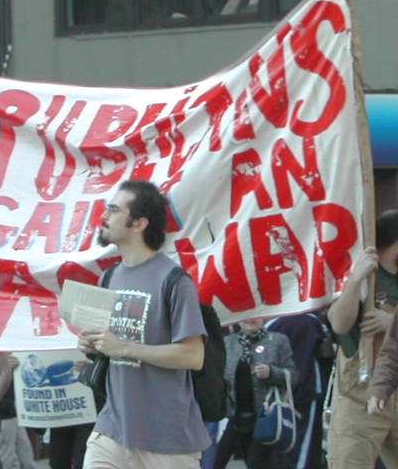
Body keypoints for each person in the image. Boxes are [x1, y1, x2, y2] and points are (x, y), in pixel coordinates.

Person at [77, 180, 209, 469]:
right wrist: (90, 345)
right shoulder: (108, 278)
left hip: (167, 441)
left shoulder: (175, 281)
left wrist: (123, 348)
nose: (104, 217)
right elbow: (104, 345)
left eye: (113, 210)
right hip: (111, 429)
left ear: (138, 223)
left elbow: (193, 356)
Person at [327, 209, 398, 468]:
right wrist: (355, 280)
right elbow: (339, 323)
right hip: (359, 394)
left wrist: (391, 323)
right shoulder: (361, 272)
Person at [213, 317, 296, 469]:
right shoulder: (228, 342)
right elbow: (218, 375)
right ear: (237, 320)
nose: (250, 320)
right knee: (215, 462)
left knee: (257, 463)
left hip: (264, 416)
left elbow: (293, 376)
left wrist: (272, 373)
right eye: (245, 316)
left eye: (255, 315)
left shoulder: (278, 340)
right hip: (234, 416)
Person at [266, 313, 331, 469]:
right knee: (306, 445)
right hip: (309, 386)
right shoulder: (313, 322)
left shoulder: (271, 323)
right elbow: (326, 352)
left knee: (280, 440)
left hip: (278, 388)